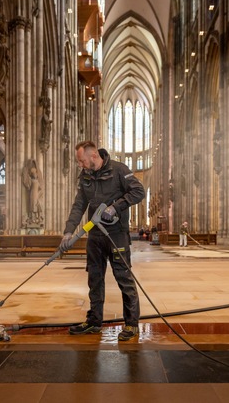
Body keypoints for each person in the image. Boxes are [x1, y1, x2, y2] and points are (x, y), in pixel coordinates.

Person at [59, 140, 145, 341]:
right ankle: (94, 321)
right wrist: (68, 232)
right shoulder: (86, 176)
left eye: (81, 161)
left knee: (124, 278)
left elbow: (138, 191)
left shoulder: (118, 170)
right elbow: (79, 205)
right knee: (94, 279)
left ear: (93, 156)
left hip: (116, 234)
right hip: (95, 235)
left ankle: (131, 324)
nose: (80, 165)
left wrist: (116, 207)